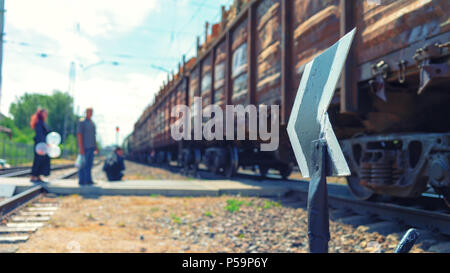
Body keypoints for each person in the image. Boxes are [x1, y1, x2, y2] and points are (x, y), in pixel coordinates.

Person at [77, 108, 98, 185]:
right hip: (85, 147)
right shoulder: (82, 121)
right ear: (86, 112)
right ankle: (82, 181)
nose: (90, 113)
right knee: (82, 165)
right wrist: (81, 147)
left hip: (91, 147)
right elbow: (79, 134)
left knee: (89, 165)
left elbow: (94, 136)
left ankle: (89, 180)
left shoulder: (92, 123)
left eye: (92, 112)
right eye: (89, 111)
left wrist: (96, 146)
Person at [30, 108, 50, 183]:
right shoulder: (39, 123)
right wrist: (44, 143)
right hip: (40, 144)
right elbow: (40, 134)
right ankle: (33, 176)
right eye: (45, 113)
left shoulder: (42, 122)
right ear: (41, 113)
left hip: (43, 144)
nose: (46, 114)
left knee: (41, 160)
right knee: (37, 160)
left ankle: (38, 176)